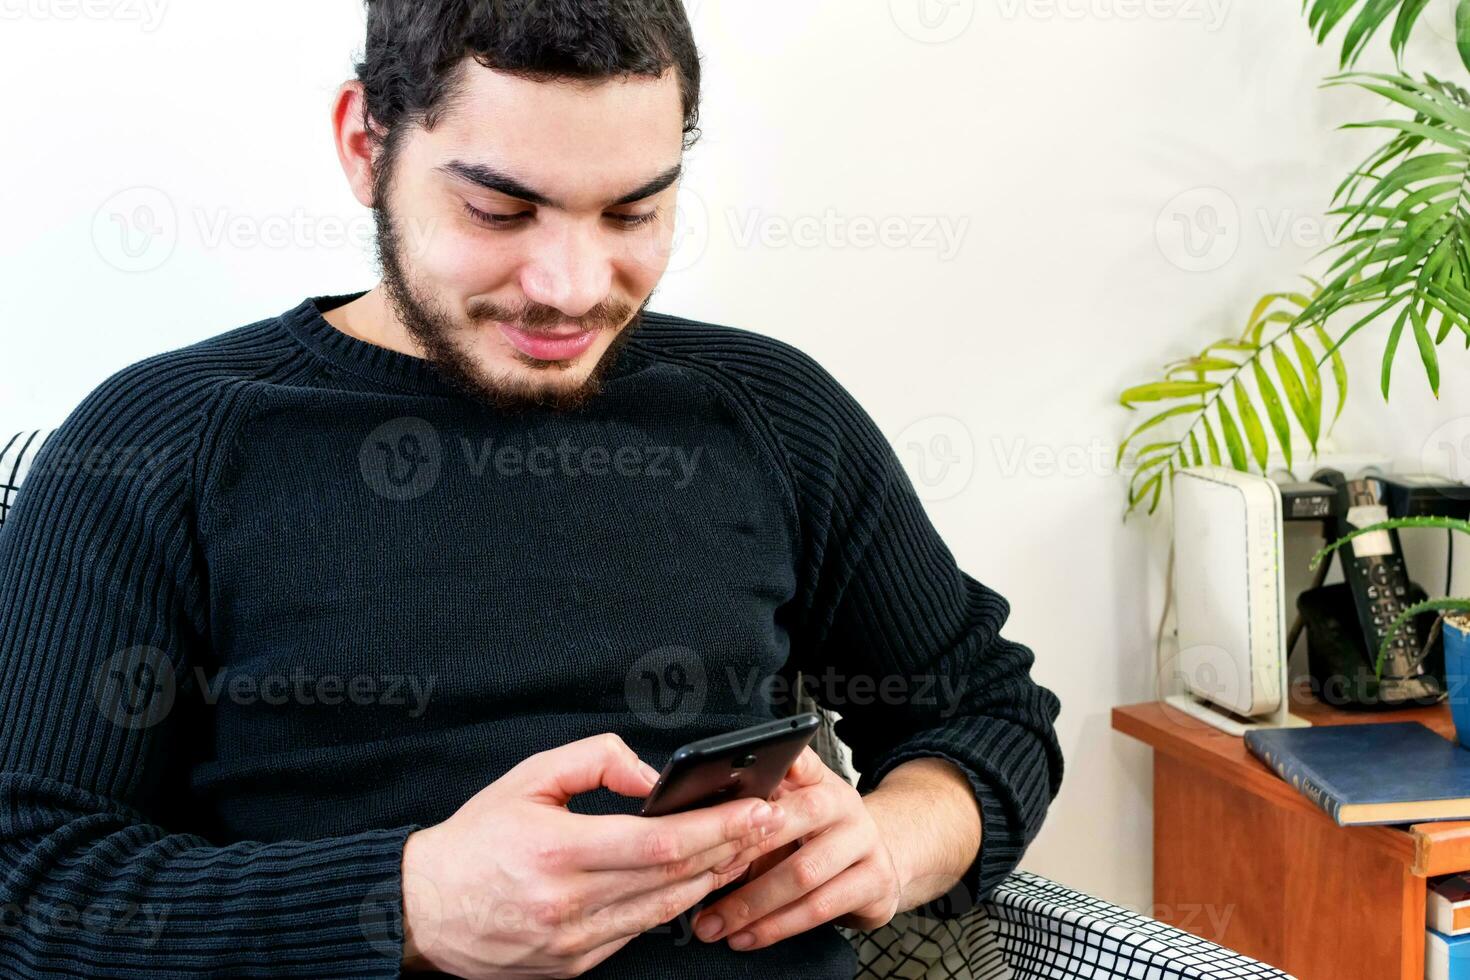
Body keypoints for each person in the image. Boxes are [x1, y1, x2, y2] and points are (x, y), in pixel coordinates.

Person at [0, 1, 1063, 976]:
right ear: (366, 146)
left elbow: (987, 706)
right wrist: (406, 903)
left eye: (632, 214)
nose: (570, 288)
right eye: (501, 211)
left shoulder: (768, 411)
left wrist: (894, 839)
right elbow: (25, 883)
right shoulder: (159, 445)